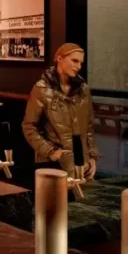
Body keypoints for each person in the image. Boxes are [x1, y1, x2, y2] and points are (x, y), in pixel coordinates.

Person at [22, 43, 99, 178]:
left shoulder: (83, 90)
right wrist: (50, 152)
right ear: (59, 59)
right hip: (53, 165)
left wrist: (92, 156)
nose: (78, 66)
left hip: (82, 165)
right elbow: (29, 127)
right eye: (74, 61)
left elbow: (89, 128)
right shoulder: (42, 89)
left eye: (81, 62)